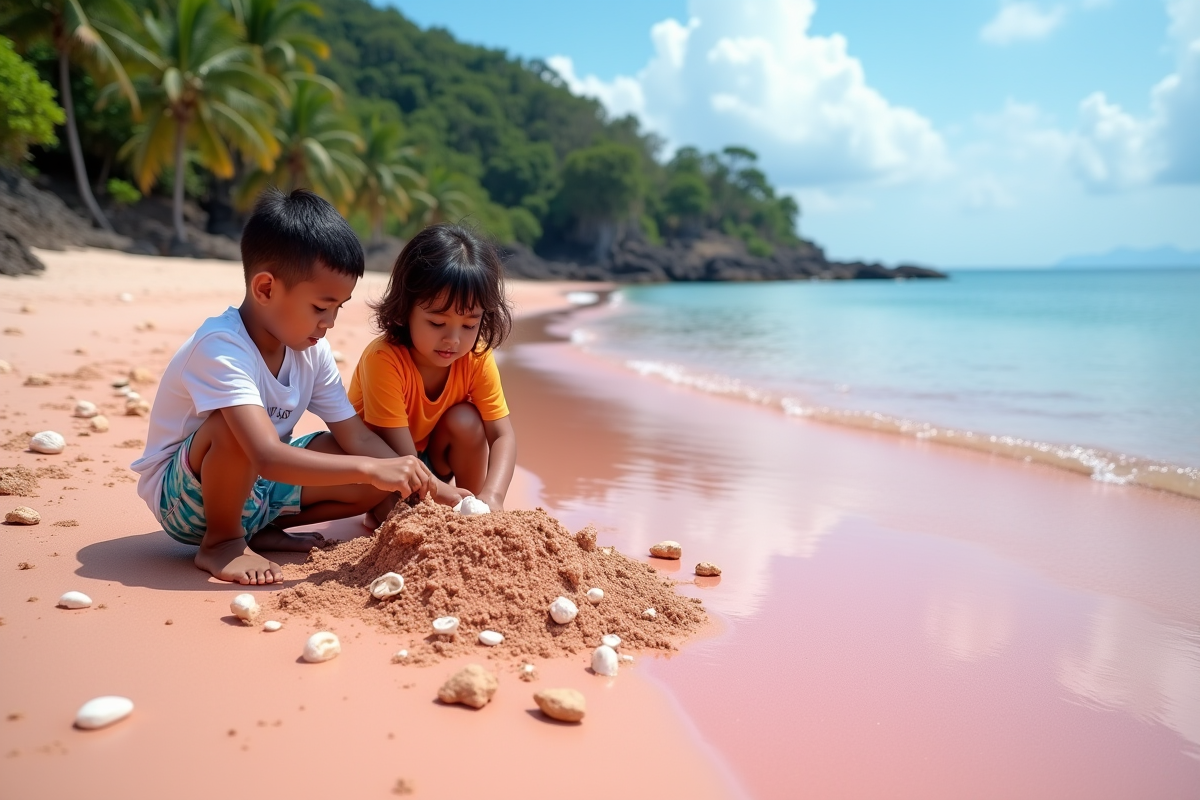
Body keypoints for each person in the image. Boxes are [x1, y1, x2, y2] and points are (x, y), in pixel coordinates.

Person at [131, 188, 436, 586]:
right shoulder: (221, 346)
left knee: (363, 469)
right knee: (233, 427)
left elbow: (357, 437)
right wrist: (373, 468)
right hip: (186, 499)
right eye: (320, 307)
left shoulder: (312, 351)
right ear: (265, 289)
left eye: (338, 309)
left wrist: (435, 487)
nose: (329, 323)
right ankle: (222, 542)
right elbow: (265, 455)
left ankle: (257, 530)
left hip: (256, 486)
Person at [346, 223, 516, 517]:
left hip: (431, 461)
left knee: (466, 419)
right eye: (437, 323)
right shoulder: (384, 359)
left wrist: (493, 496)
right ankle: (413, 511)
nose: (453, 339)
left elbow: (503, 436)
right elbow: (402, 456)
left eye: (469, 325)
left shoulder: (476, 358)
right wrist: (446, 495)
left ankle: (474, 514)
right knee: (394, 510)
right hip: (384, 464)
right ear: (405, 309)